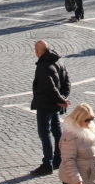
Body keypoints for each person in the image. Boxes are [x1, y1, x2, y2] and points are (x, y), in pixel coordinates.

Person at [30, 40, 71, 176]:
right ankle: (58, 159)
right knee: (56, 131)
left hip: (45, 104)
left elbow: (49, 88)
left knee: (44, 133)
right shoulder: (59, 61)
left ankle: (47, 163)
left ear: (39, 51)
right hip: (55, 105)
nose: (35, 52)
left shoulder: (43, 66)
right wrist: (63, 99)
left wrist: (61, 100)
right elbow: (67, 81)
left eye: (36, 50)